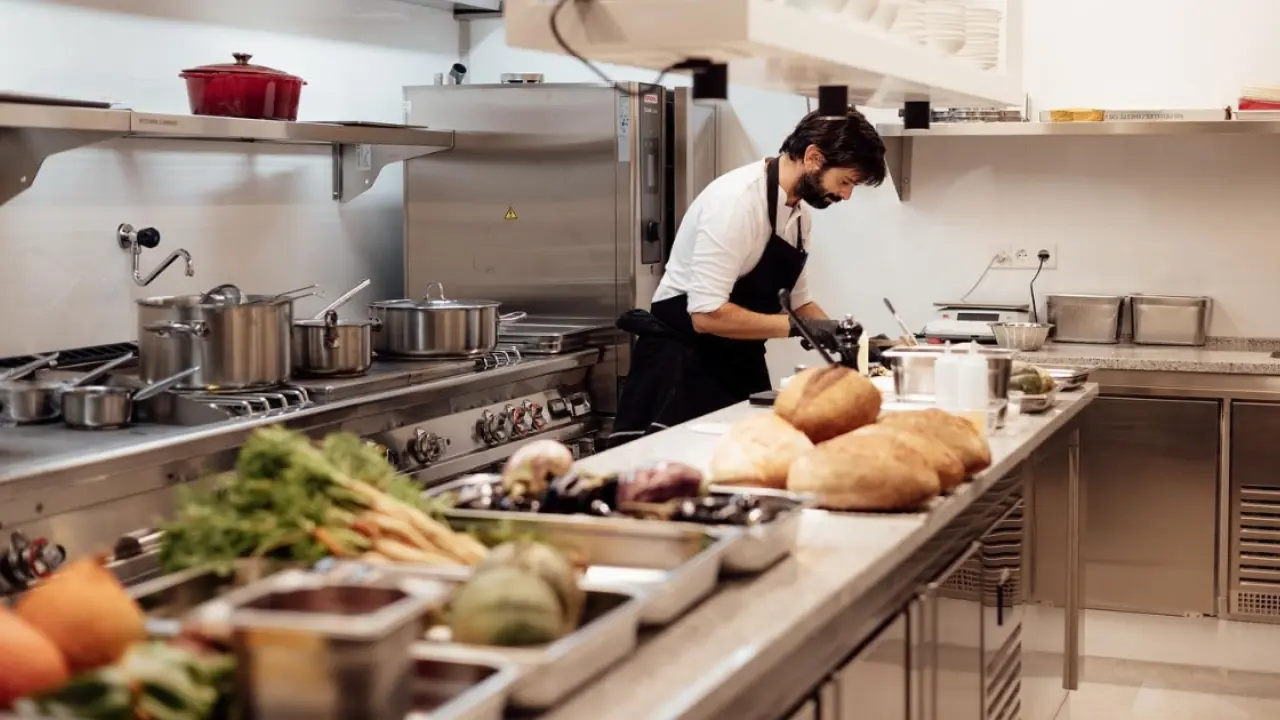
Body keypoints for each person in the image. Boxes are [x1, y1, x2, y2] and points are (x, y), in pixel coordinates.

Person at [610, 107, 888, 445]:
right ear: (813, 158)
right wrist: (798, 328)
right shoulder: (735, 203)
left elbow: (799, 303)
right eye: (845, 182)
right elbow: (706, 314)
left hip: (738, 363)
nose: (846, 195)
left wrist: (852, 342)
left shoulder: (799, 214)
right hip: (681, 368)